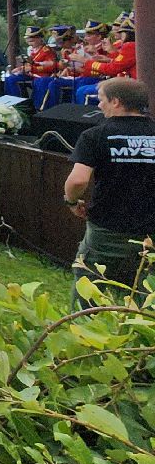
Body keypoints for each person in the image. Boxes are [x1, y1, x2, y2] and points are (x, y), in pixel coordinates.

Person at [63, 77, 155, 308]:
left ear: (116, 102)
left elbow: (78, 180)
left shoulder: (95, 135)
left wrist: (72, 202)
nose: (99, 105)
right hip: (151, 233)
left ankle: (85, 335)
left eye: (102, 100)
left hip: (107, 230)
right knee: (149, 291)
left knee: (89, 285)